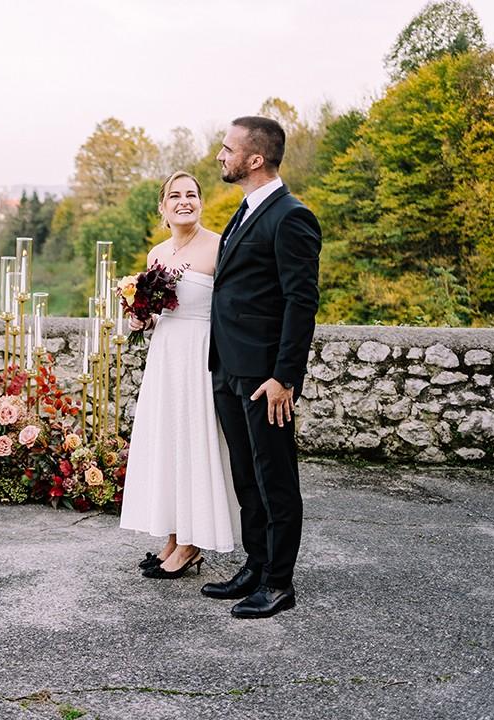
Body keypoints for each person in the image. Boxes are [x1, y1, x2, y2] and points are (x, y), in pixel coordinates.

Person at [204, 116, 321, 619]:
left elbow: (301, 302)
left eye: (227, 148)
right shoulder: (246, 209)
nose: (220, 155)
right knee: (246, 475)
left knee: (275, 477)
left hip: (265, 377)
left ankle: (278, 582)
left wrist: (284, 378)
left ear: (254, 159)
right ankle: (255, 565)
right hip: (229, 367)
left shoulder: (291, 216)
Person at [120, 171, 241, 579]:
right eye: (175, 195)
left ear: (201, 203)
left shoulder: (219, 247)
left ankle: (191, 545)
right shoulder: (156, 253)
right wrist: (142, 320)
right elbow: (162, 312)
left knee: (194, 442)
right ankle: (173, 538)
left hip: (200, 356)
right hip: (166, 357)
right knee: (169, 443)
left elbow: (231, 308)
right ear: (163, 207)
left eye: (191, 194)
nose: (184, 201)